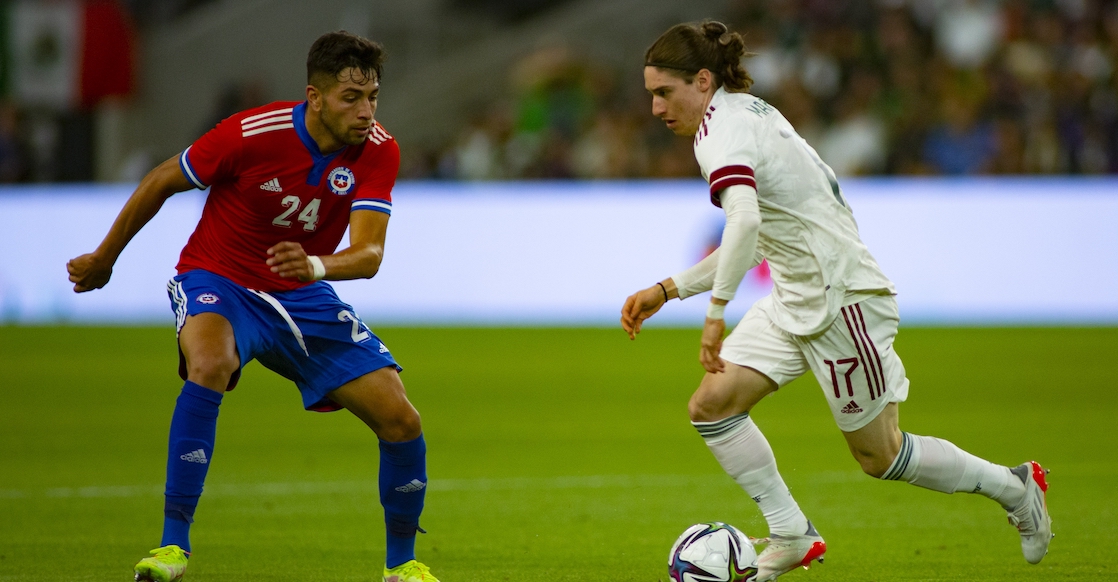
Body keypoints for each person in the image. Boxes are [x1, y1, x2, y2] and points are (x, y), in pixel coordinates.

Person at [621, 21, 1052, 581]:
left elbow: (744, 224)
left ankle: (1015, 487)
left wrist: (715, 312)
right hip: (796, 295)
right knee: (712, 406)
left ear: (702, 80)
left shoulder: (723, 131)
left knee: (881, 456)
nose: (656, 108)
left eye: (664, 92)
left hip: (842, 302)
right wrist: (667, 289)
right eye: (651, 94)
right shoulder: (739, 115)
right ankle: (792, 534)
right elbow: (758, 236)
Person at [67, 31, 440, 582]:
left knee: (401, 419)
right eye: (351, 98)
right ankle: (171, 547)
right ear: (315, 97)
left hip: (301, 292)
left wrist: (315, 267)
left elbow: (369, 255)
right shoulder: (250, 133)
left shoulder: (378, 149)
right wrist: (104, 258)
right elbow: (163, 179)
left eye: (373, 97)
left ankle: (402, 565)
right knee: (210, 363)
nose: (366, 112)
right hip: (222, 278)